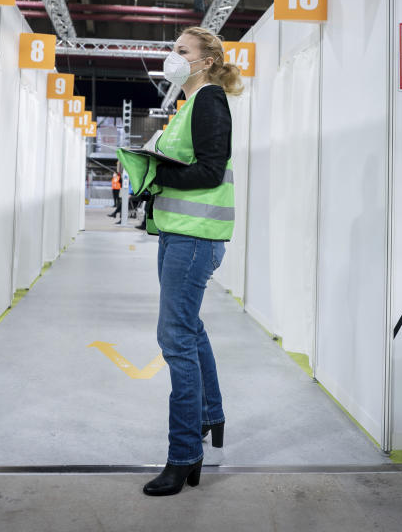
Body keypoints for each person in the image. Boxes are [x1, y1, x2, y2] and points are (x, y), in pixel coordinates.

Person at [139, 26, 241, 496]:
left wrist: (157, 172)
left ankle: (184, 455)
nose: (172, 57)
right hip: (180, 234)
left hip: (194, 240)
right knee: (189, 328)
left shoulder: (209, 100)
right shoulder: (189, 104)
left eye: (181, 51)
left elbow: (209, 169)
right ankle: (209, 416)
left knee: (174, 336)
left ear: (204, 60)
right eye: (172, 49)